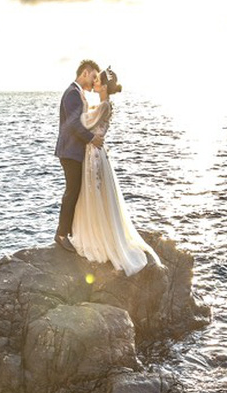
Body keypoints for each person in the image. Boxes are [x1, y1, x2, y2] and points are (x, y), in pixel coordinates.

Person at [70, 68, 161, 276]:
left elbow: (84, 123)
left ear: (102, 86)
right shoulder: (102, 105)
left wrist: (81, 105)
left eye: (97, 80)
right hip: (94, 152)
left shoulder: (103, 106)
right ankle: (97, 233)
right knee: (94, 195)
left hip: (94, 154)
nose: (93, 82)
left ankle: (99, 238)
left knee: (95, 195)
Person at [54, 59, 102, 252]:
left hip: (74, 151)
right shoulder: (72, 93)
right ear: (85, 72)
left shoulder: (78, 93)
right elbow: (75, 124)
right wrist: (92, 138)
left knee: (75, 191)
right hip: (70, 151)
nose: (94, 82)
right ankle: (61, 234)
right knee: (72, 192)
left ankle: (69, 232)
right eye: (93, 77)